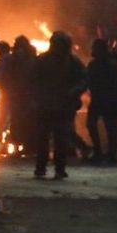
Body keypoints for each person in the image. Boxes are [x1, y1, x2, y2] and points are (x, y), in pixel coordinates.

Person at [31, 31, 86, 180]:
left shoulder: (71, 62)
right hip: (47, 105)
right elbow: (32, 81)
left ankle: (57, 168)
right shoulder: (43, 60)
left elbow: (83, 80)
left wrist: (73, 92)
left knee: (59, 138)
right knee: (45, 138)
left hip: (61, 106)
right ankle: (43, 167)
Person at [85, 38, 117, 165]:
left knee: (109, 127)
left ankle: (109, 153)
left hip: (107, 99)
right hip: (100, 99)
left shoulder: (109, 65)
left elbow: (116, 83)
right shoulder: (96, 64)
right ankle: (102, 152)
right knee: (95, 125)